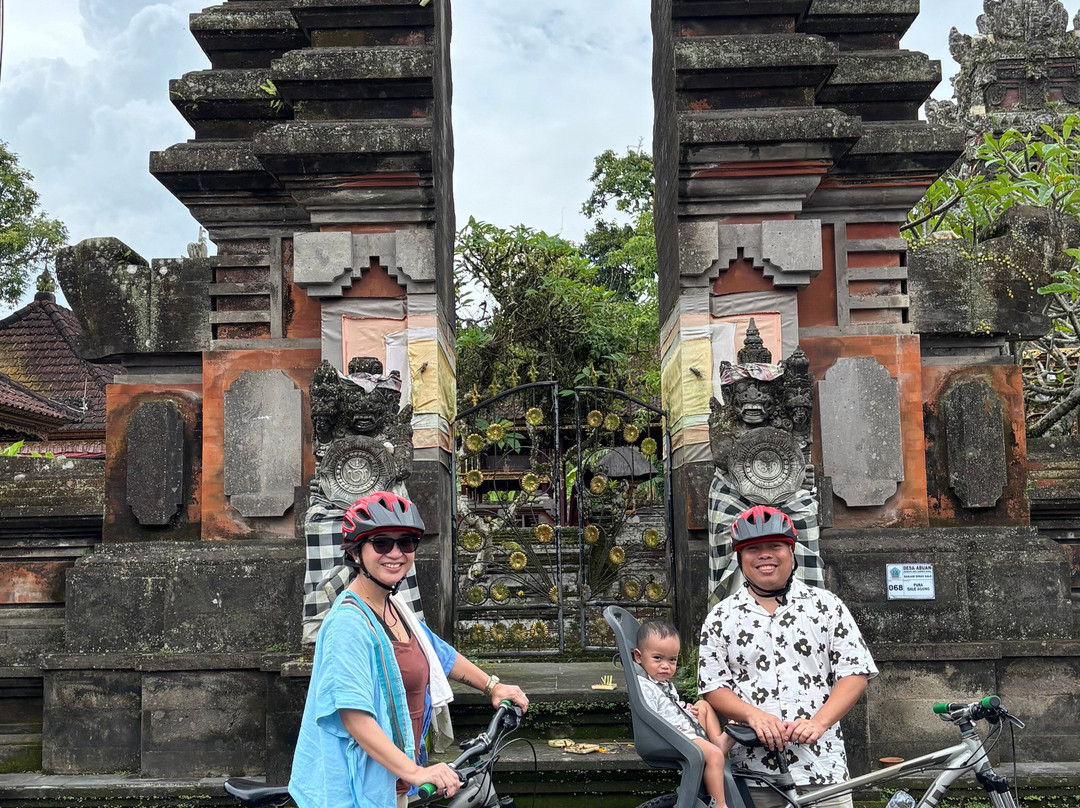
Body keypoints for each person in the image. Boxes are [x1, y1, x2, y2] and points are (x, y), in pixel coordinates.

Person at [289, 491, 529, 808]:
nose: (396, 553)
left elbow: (436, 652)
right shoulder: (348, 624)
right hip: (357, 790)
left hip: (396, 785)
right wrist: (417, 772)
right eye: (382, 543)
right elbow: (355, 718)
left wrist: (492, 686)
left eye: (405, 543)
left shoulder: (394, 607)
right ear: (357, 553)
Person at [698, 506, 877, 808]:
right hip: (755, 773)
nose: (765, 555)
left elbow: (855, 672)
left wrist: (818, 724)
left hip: (823, 767)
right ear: (740, 558)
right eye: (753, 548)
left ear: (791, 552)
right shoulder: (721, 617)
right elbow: (713, 686)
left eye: (775, 546)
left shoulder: (826, 606)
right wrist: (752, 715)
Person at [635, 619, 734, 808]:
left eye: (672, 660)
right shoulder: (645, 686)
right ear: (639, 657)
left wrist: (686, 710)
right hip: (674, 734)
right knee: (713, 755)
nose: (666, 666)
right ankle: (720, 804)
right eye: (658, 658)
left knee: (703, 706)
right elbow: (653, 716)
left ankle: (718, 743)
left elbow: (670, 706)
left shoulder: (664, 684)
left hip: (684, 727)